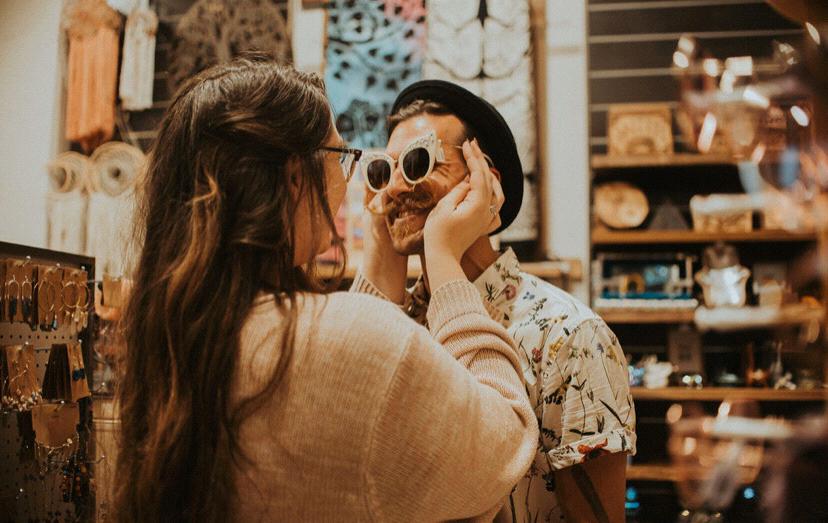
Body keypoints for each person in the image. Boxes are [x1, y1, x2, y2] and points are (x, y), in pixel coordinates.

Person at [114, 57, 539, 522]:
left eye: (416, 164)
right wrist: (443, 263)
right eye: (343, 157)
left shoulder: (179, 334)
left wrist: (384, 255)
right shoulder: (346, 338)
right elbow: (503, 444)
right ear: (297, 176)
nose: (389, 188)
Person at [354, 80, 637, 523]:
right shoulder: (398, 326)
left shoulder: (570, 337)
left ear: (484, 180)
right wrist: (379, 244)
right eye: (383, 171)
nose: (395, 188)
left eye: (417, 162)